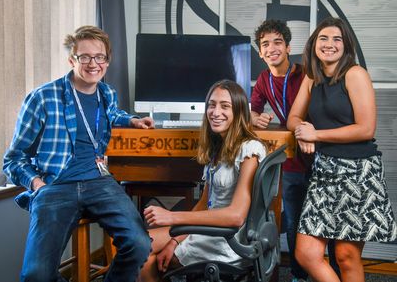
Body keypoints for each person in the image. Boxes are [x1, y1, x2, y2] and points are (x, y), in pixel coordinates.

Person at [3, 25, 154, 282]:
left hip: (99, 182)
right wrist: (37, 184)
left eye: (100, 57)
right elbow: (13, 159)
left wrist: (132, 121)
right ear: (72, 59)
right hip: (55, 185)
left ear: (107, 60)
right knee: (35, 275)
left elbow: (111, 115)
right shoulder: (42, 98)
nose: (93, 63)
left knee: (139, 243)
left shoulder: (107, 94)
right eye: (85, 57)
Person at [287, 17, 397, 282]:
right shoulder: (312, 78)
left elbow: (366, 128)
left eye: (337, 39)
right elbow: (293, 118)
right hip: (325, 170)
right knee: (307, 253)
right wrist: (303, 131)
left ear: (346, 45)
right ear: (314, 44)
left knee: (346, 256)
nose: (330, 44)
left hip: (357, 172)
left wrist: (317, 133)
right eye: (324, 38)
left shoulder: (355, 74)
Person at [139, 79, 267, 282]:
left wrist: (173, 218)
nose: (215, 112)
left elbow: (236, 216)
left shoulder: (249, 149)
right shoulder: (218, 148)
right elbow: (202, 205)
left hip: (225, 240)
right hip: (205, 232)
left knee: (143, 258)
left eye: (225, 106)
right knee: (135, 245)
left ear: (239, 112)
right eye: (212, 105)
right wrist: (174, 241)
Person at [250, 19, 309, 282]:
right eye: (265, 44)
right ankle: (298, 275)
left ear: (287, 47)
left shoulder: (305, 74)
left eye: (277, 42)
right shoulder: (263, 79)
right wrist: (253, 118)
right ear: (260, 53)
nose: (272, 48)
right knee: (294, 221)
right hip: (293, 161)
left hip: (319, 154)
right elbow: (251, 110)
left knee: (323, 222)